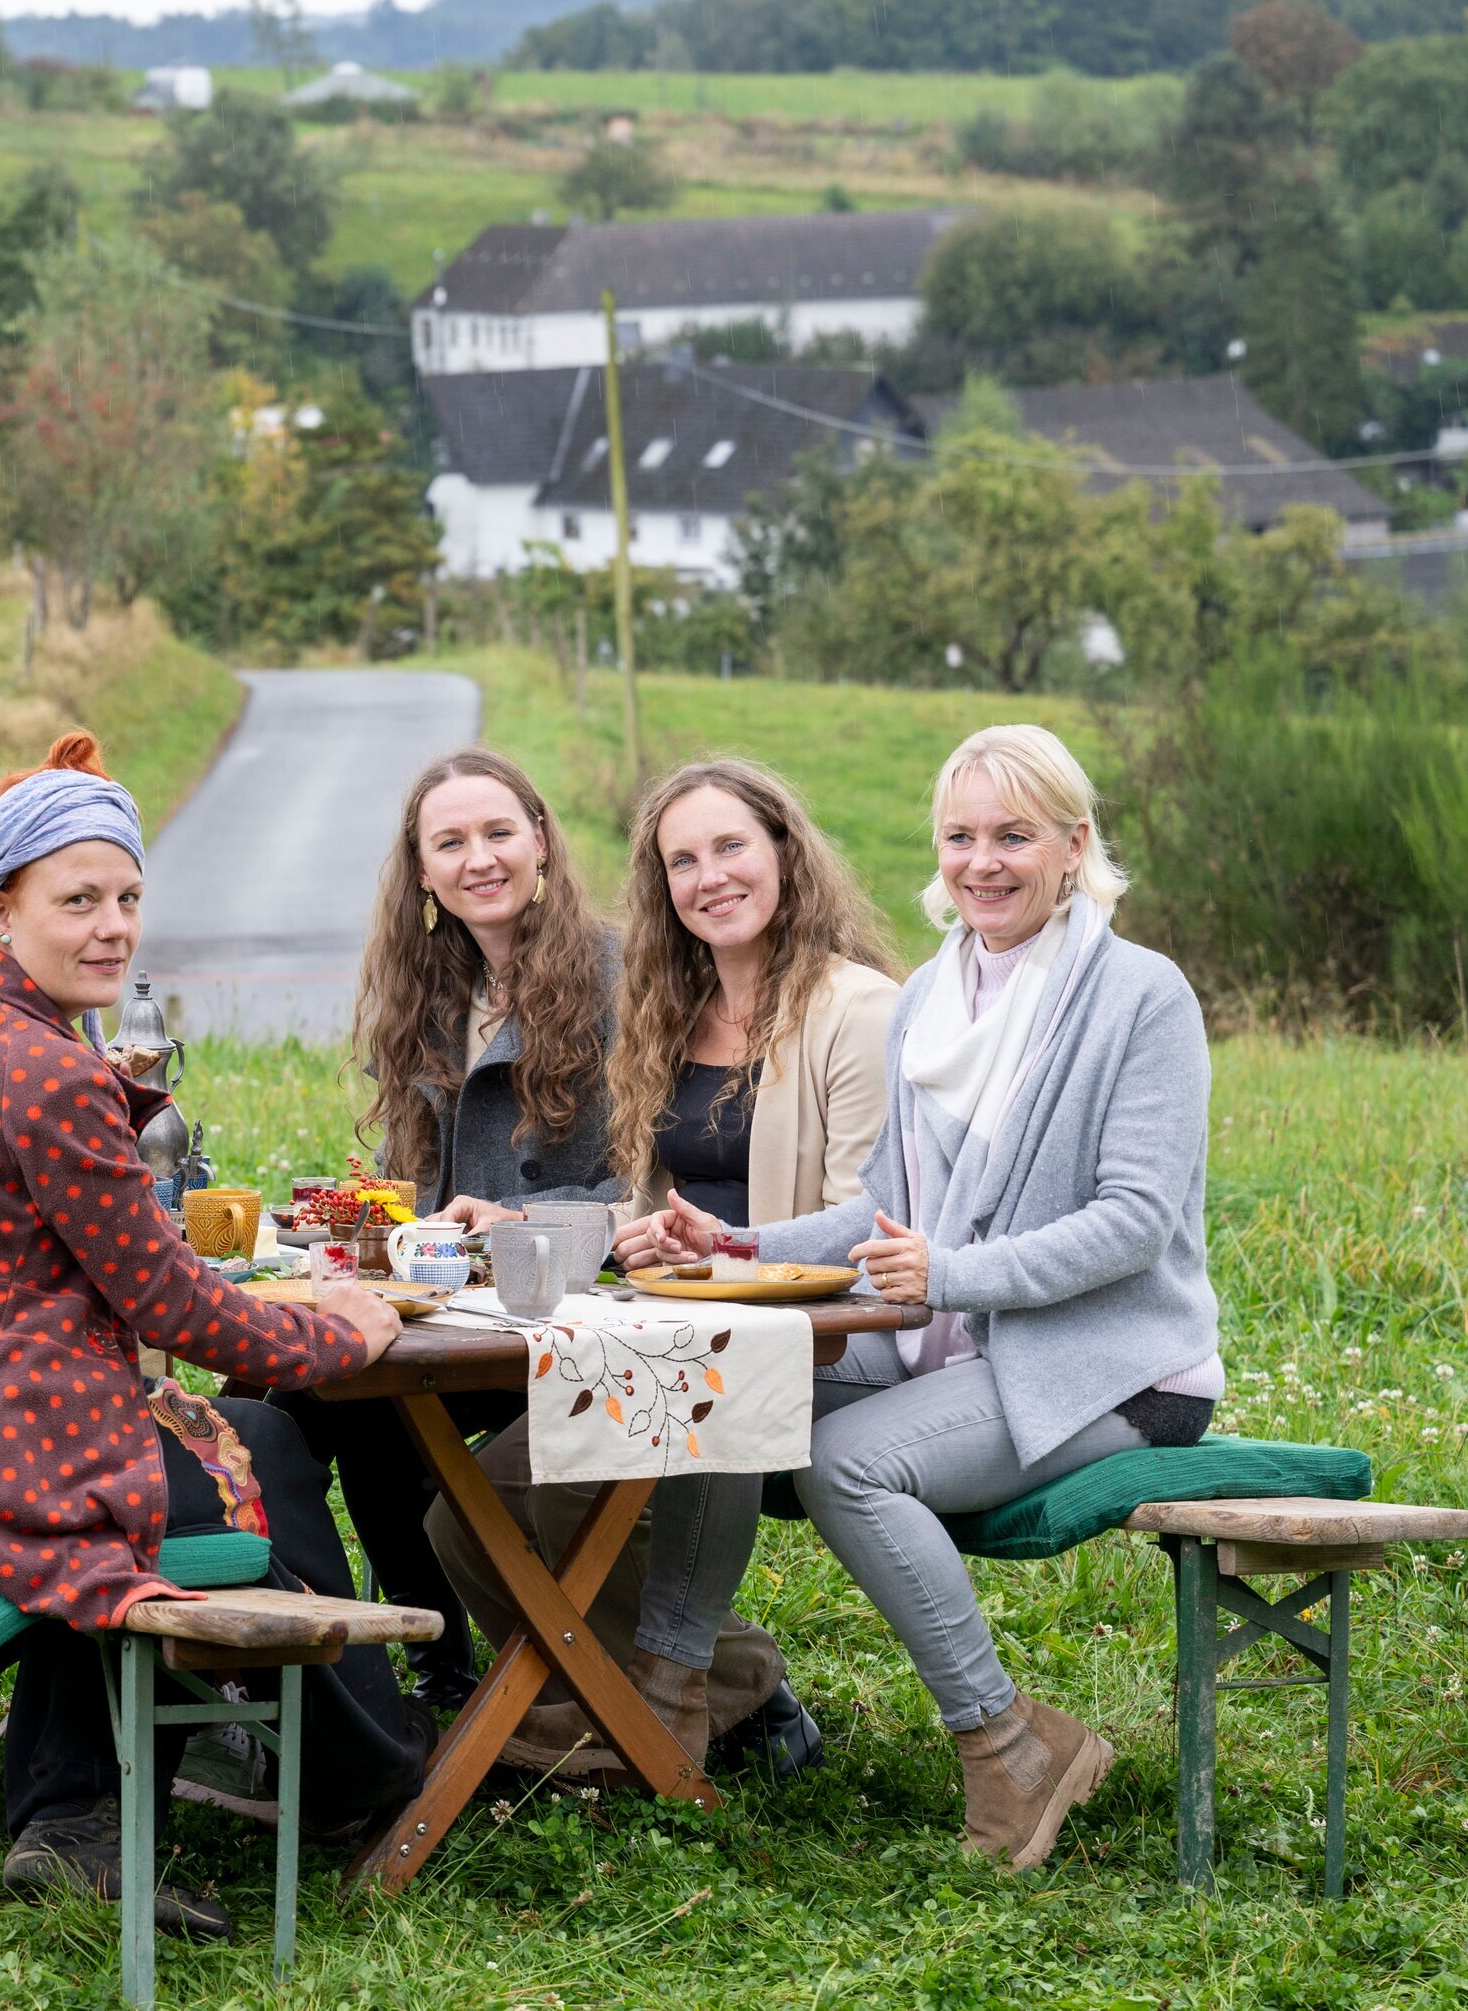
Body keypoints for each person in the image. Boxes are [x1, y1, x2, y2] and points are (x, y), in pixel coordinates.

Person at [0, 733, 425, 1939]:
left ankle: (81, 1805)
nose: (112, 927)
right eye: (76, 900)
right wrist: (345, 1332)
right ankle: (363, 1773)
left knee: (243, 1445)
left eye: (128, 897)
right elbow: (175, 1311)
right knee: (205, 1481)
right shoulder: (48, 1074)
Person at [638, 724, 1220, 1870]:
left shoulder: (1140, 998)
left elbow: (1131, 1223)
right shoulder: (931, 1003)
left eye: (1013, 836)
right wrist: (739, 1240)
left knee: (845, 1463)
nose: (982, 862)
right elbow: (886, 1216)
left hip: (1108, 1368)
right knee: (716, 1383)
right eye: (960, 837)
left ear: (1073, 846)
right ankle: (664, 1699)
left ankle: (1008, 1743)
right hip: (954, 1350)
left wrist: (949, 1275)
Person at [429, 757, 905, 1779]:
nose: (708, 877)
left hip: (829, 1338)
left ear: (784, 851)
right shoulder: (668, 1013)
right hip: (680, 1329)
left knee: (607, 1447)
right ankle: (690, 1684)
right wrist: (508, 1219)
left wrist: (730, 1249)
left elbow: (876, 1215)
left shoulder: (855, 1008)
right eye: (680, 860)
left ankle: (654, 1703)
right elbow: (644, 1212)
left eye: (730, 846)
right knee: (466, 1514)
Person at [273, 748, 619, 1712]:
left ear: (542, 840)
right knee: (304, 1391)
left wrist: (524, 1219)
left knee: (364, 1399)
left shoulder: (620, 975)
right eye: (450, 842)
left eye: (499, 832)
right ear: (421, 872)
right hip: (455, 1309)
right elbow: (412, 1188)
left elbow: (659, 1177)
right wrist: (357, 1224)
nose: (480, 859)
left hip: (575, 1313)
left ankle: (436, 1672)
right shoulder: (435, 992)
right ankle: (394, 1668)